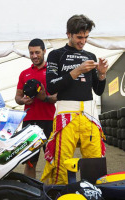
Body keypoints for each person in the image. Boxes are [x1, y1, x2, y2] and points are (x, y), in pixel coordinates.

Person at [40, 14, 109, 185]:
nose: (83, 41)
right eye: (79, 37)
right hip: (66, 116)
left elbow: (98, 91)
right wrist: (77, 71)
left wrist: (101, 74)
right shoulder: (56, 55)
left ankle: (94, 192)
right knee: (61, 162)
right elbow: (51, 86)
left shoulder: (90, 55)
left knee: (95, 160)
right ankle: (62, 194)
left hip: (89, 116)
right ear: (68, 34)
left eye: (86, 37)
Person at [15, 38, 57, 179]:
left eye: (37, 52)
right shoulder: (24, 73)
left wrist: (44, 97)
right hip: (29, 123)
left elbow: (59, 96)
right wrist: (23, 100)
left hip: (50, 121)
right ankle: (30, 192)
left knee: (53, 161)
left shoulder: (52, 71)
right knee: (30, 162)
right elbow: (17, 97)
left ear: (44, 51)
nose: (34, 56)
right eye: (31, 53)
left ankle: (53, 191)